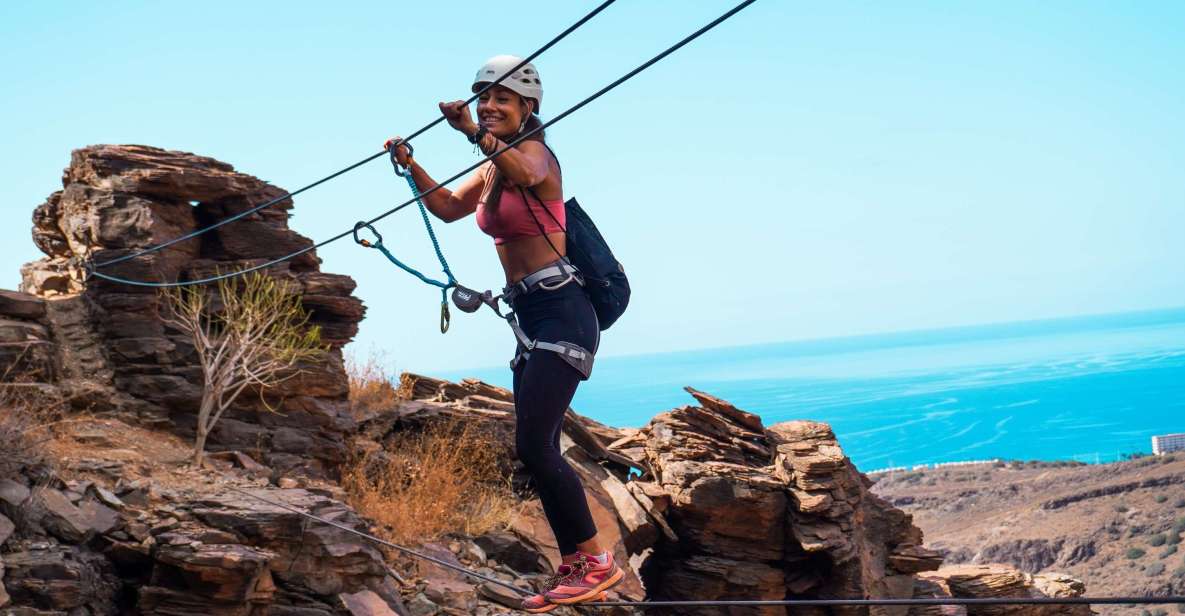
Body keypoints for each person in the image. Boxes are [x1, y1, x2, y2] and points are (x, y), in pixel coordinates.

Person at [385, 55, 623, 612]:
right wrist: (411, 164)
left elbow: (529, 175)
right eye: (483, 99)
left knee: (536, 444)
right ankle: (576, 563)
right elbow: (446, 208)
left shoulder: (536, 155)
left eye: (501, 100)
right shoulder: (492, 168)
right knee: (533, 447)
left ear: (527, 108)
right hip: (530, 316)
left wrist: (471, 132)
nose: (489, 107)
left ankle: (595, 562)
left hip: (563, 312)